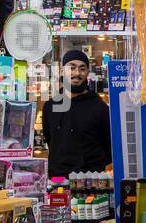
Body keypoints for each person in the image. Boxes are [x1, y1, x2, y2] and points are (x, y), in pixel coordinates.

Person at [41, 49, 112, 178]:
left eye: (82, 68)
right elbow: (50, 139)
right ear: (62, 71)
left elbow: (108, 147)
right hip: (57, 182)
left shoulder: (100, 107)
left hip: (91, 183)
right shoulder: (50, 107)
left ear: (87, 73)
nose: (77, 73)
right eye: (71, 68)